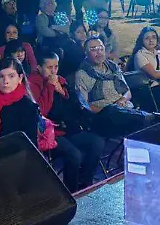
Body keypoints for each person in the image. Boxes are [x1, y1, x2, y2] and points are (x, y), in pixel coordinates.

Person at [28, 52, 104, 192]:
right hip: (49, 132)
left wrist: (63, 93)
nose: (53, 71)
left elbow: (75, 106)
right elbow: (41, 111)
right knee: (75, 155)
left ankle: (85, 182)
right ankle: (72, 191)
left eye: (56, 67)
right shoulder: (33, 83)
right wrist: (50, 88)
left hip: (68, 127)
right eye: (49, 67)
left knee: (97, 142)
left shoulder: (61, 80)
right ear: (38, 67)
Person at [74, 37, 154, 138]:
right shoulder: (82, 74)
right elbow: (84, 105)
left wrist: (122, 100)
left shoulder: (113, 67)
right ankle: (150, 118)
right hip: (103, 117)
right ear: (86, 53)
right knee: (114, 111)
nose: (99, 52)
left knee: (144, 130)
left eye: (101, 48)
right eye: (93, 49)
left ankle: (150, 120)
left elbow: (127, 91)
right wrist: (108, 109)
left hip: (124, 109)